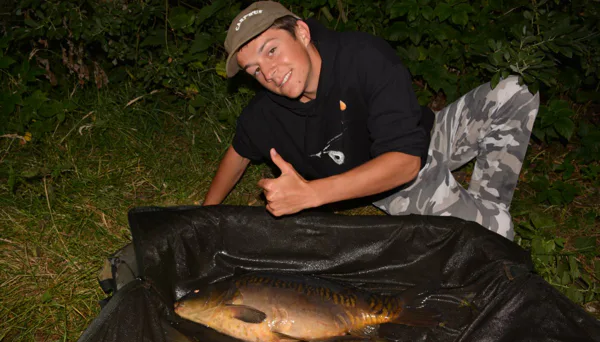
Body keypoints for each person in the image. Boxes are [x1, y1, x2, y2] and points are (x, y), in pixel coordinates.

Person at [203, 1, 539, 240]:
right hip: (393, 184)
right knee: (499, 231)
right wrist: (204, 215)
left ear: (301, 32)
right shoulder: (266, 114)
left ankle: (486, 209)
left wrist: (311, 194)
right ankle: (489, 226)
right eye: (255, 70)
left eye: (271, 50)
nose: (269, 73)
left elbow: (405, 159)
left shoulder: (362, 55)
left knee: (516, 90)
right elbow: (238, 154)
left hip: (424, 136)